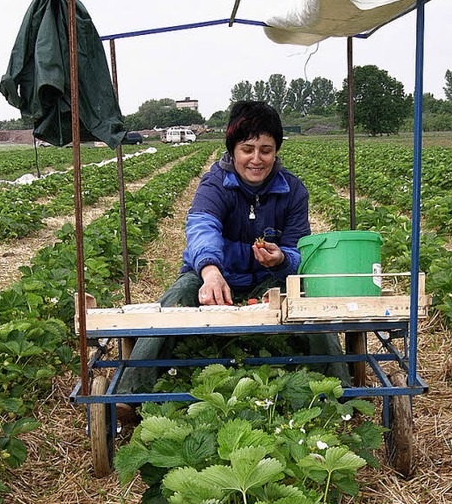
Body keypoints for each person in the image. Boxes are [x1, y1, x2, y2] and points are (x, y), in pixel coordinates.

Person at [118, 100, 348, 396]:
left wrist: (280, 260)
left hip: (267, 282)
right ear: (233, 151)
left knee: (306, 303)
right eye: (247, 149)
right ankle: (132, 393)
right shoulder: (215, 185)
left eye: (266, 150)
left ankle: (338, 390)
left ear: (276, 150)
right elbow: (202, 228)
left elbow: (299, 250)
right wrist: (211, 271)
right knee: (173, 302)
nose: (256, 159)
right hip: (213, 279)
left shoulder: (292, 191)